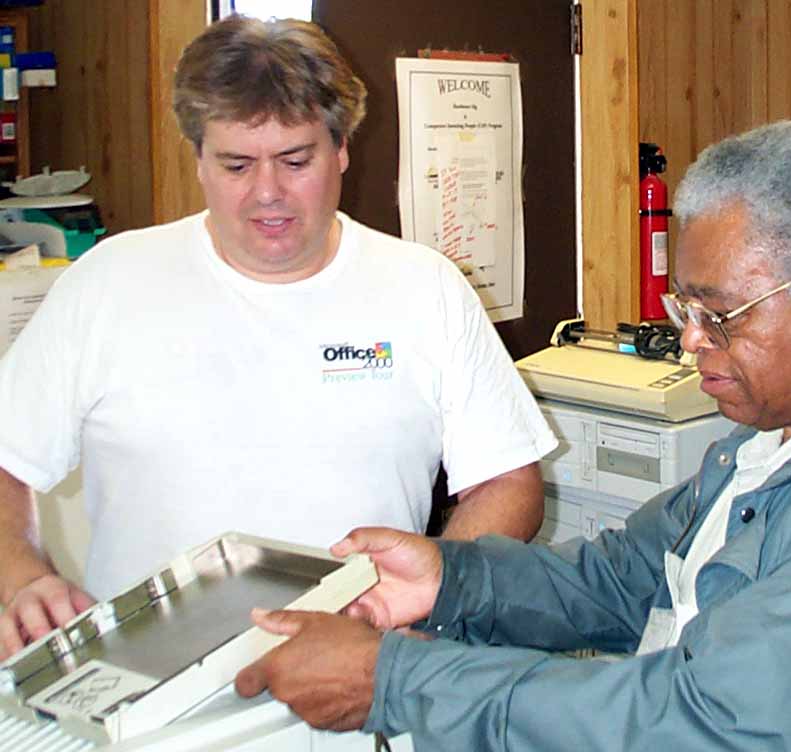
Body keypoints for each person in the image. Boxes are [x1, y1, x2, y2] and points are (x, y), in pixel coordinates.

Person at [235, 121, 791, 750]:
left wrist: (398, 681)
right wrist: (449, 580)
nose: (690, 342)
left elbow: (710, 726)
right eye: (688, 310)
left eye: (719, 315)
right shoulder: (774, 442)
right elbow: (620, 579)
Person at [0, 15, 557, 659]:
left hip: (355, 672)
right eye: (236, 164)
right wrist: (22, 576)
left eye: (295, 161)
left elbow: (507, 483)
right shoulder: (108, 283)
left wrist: (431, 598)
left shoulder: (424, 289)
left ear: (342, 147)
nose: (267, 193)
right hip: (148, 689)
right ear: (199, 160)